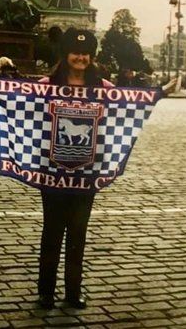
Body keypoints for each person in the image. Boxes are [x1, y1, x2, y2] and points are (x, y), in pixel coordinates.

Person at [35, 28, 111, 310]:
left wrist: (161, 92)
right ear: (66, 55)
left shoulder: (102, 86)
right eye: (76, 52)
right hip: (53, 170)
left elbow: (133, 102)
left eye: (85, 53)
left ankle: (73, 290)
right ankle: (45, 291)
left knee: (78, 231)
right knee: (52, 231)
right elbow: (16, 98)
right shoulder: (47, 84)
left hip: (86, 171)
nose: (80, 57)